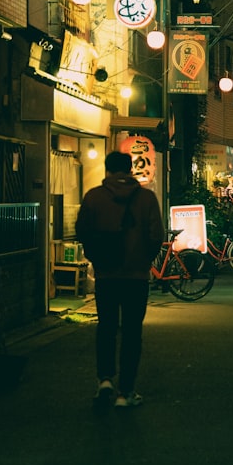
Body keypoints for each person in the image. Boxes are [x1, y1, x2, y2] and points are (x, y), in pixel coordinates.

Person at [76, 151, 165, 408]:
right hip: (136, 277)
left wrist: (97, 258)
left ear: (107, 170)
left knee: (106, 327)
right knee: (131, 332)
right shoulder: (146, 198)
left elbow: (83, 231)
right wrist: (143, 260)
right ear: (129, 170)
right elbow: (155, 235)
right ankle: (125, 392)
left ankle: (104, 380)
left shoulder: (94, 197)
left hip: (106, 275)